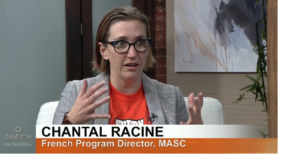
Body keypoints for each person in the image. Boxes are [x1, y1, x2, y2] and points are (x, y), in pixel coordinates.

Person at [53, 6, 203, 125]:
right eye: (120, 43)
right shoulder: (76, 91)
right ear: (104, 51)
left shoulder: (171, 96)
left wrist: (199, 140)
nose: (132, 54)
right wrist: (69, 123)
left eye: (140, 42)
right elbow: (50, 151)